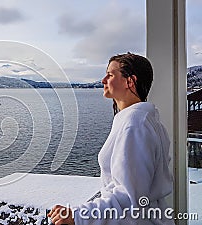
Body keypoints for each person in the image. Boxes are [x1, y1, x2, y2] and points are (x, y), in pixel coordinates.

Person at [48, 53, 174, 225]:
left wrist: (78, 216)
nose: (103, 80)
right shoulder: (145, 120)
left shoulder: (135, 125)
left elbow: (129, 199)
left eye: (111, 74)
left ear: (130, 81)